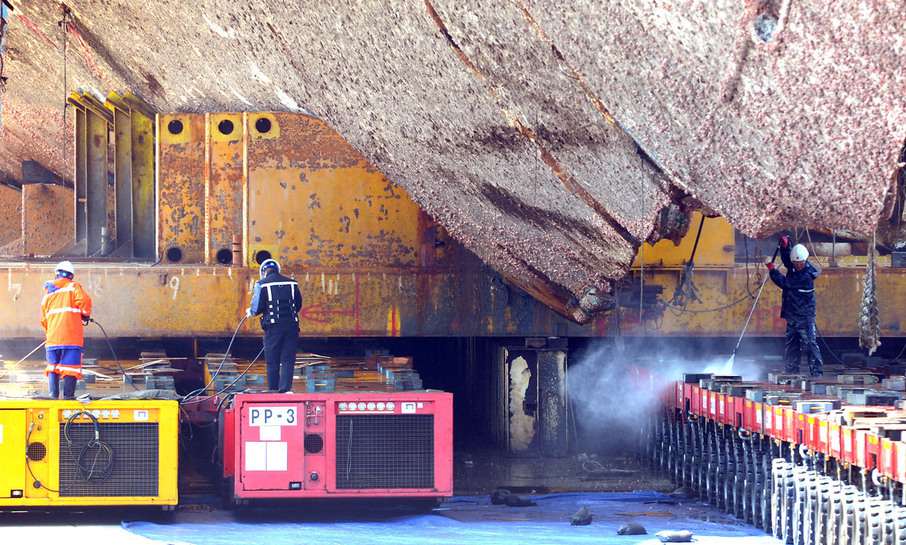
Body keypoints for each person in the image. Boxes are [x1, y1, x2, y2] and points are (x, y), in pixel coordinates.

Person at [766, 235, 823, 376]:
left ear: (805, 260)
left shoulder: (805, 276)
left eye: (800, 263)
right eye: (796, 263)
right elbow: (788, 260)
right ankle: (791, 371)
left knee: (810, 344)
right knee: (792, 345)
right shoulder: (796, 266)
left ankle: (816, 373)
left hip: (804, 317)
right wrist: (786, 246)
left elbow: (785, 283)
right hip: (792, 315)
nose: (797, 265)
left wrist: (772, 270)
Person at [247, 259, 302, 392]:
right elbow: (298, 305)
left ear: (263, 272)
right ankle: (285, 389)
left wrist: (250, 312)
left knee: (272, 359)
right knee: (288, 359)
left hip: (273, 328)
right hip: (292, 327)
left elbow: (257, 308)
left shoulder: (262, 284)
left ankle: (273, 389)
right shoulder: (292, 283)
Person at [41, 260, 93, 399]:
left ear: (56, 274)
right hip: (71, 338)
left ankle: (53, 396)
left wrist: (51, 333)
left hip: (52, 340)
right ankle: (68, 397)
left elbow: (44, 320)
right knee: (70, 368)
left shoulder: (48, 295)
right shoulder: (73, 287)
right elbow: (85, 302)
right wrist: (85, 315)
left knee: (53, 367)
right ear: (71, 275)